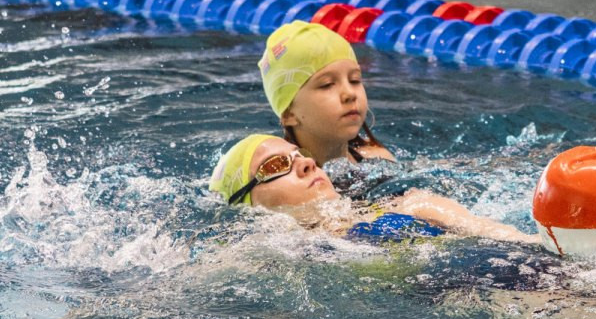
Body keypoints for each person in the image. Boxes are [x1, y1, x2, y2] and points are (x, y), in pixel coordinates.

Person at [208, 133, 537, 244]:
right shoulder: (271, 251)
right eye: (276, 166)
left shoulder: (410, 204)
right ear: (249, 204)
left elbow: (510, 240)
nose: (306, 164)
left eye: (300, 156)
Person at [259, 20, 394, 170]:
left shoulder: (377, 157)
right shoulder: (286, 184)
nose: (350, 93)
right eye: (327, 84)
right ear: (289, 114)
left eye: (354, 80)